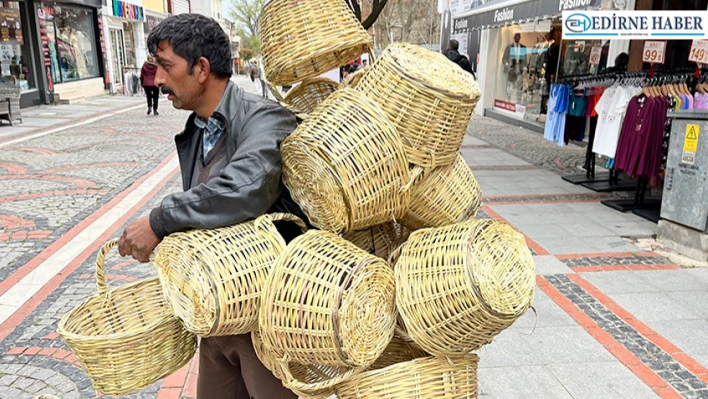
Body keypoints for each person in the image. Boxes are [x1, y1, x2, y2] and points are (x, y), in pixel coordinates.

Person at [119, 13, 306, 399]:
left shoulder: (265, 118)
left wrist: (160, 220)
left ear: (201, 68)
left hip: (267, 321)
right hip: (219, 318)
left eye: (166, 67)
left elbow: (245, 186)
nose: (158, 80)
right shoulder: (198, 128)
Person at [502, 33, 527, 99]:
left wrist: (524, 67)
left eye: (518, 37)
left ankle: (518, 99)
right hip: (512, 66)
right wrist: (507, 64)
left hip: (519, 66)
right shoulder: (509, 47)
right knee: (510, 83)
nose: (517, 38)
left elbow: (525, 58)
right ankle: (508, 98)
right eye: (516, 37)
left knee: (520, 83)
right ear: (514, 37)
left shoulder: (523, 47)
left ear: (520, 38)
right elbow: (504, 58)